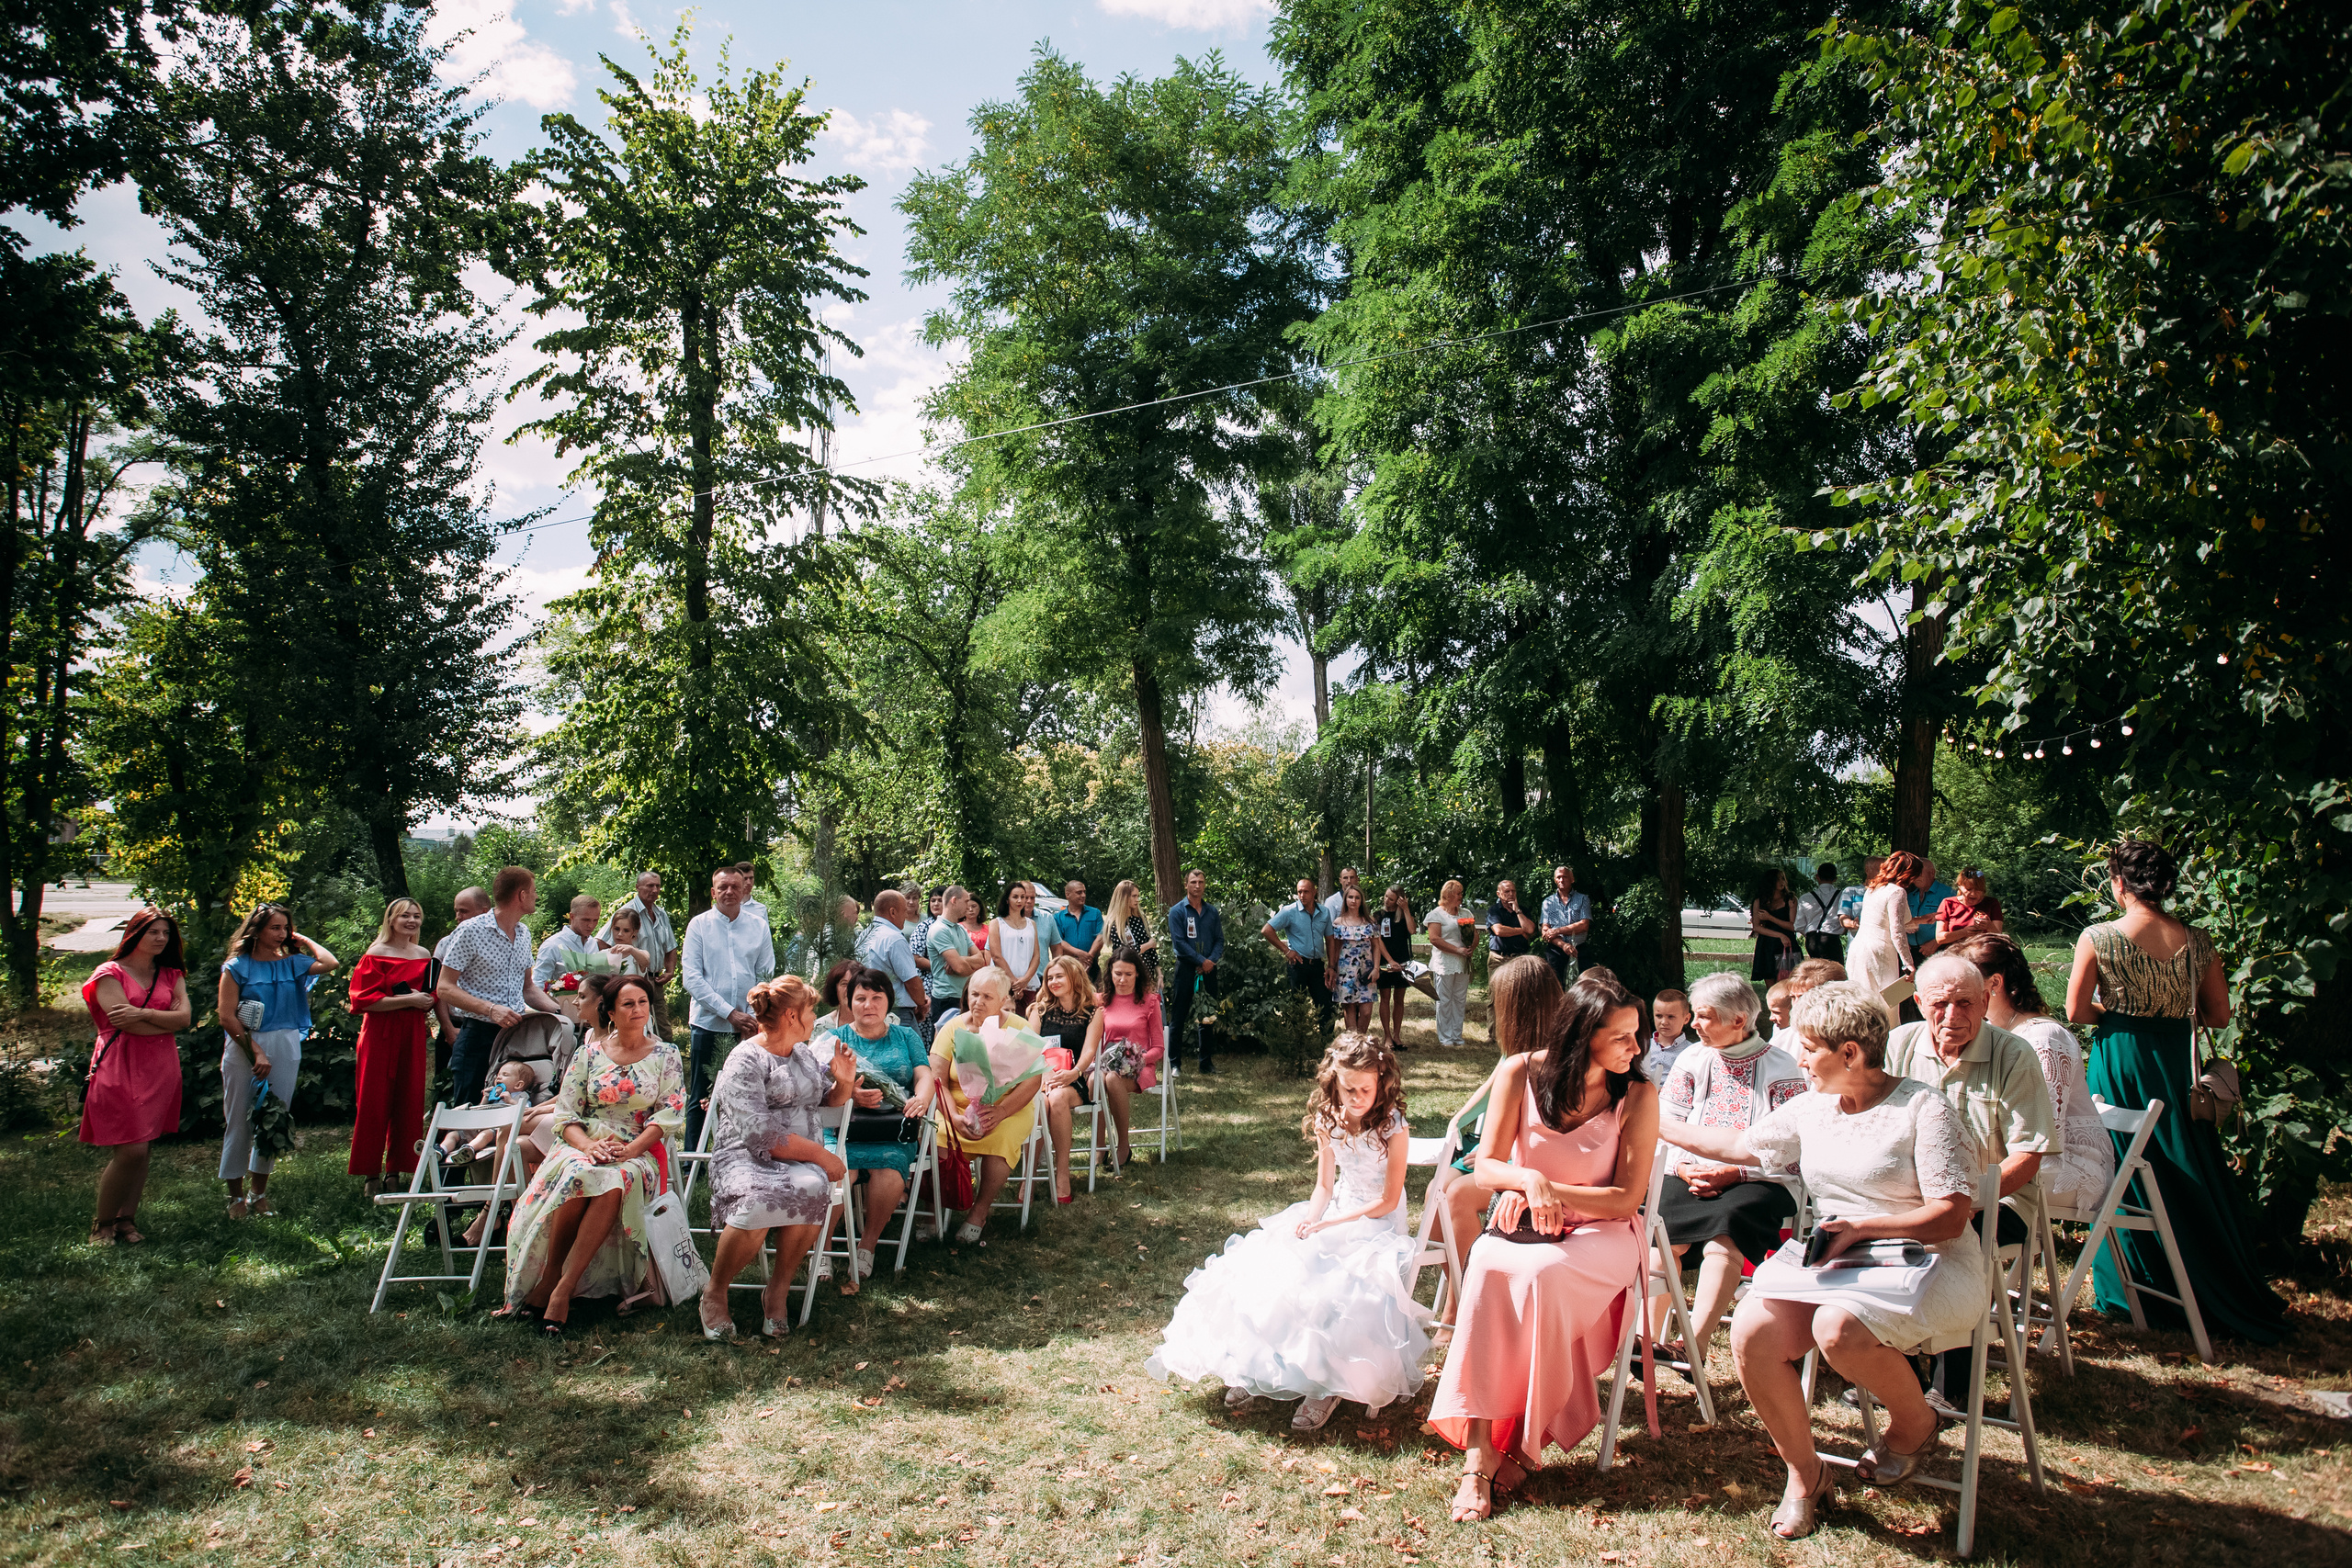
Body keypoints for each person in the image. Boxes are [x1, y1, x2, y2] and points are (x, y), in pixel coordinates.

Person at [1657, 982, 1985, 1541]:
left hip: (1929, 1263)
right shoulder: (1813, 1107)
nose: (1800, 1059)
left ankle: (1916, 1423)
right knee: (1752, 1332)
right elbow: (1739, 1147)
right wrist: (1651, 1115)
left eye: (1809, 1049)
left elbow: (1951, 1217)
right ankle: (1805, 1475)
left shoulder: (1923, 1109)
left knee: (1837, 1329)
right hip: (1841, 1262)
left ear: (1850, 1052)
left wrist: (1862, 1228)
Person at [1430, 975, 1657, 1523]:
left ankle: (1524, 1445)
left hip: (1603, 1230)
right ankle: (1480, 1453)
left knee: (1543, 1276)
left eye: (1637, 1034)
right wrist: (1526, 1181)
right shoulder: (1519, 1072)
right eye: (1622, 1037)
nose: (1636, 1047)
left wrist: (1548, 1190)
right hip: (1530, 1220)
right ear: (1582, 1035)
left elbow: (1626, 1199)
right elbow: (1487, 1167)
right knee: (1488, 1264)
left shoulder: (1638, 1094)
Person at [1147, 1033, 1432, 1432]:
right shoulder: (1328, 1119)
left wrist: (1332, 1223)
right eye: (1348, 1089)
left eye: (1365, 1090)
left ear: (1380, 1082)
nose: (1356, 1098)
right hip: (1337, 1209)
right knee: (1275, 1266)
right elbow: (1324, 1187)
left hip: (1377, 1224)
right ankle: (1259, 1369)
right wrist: (1313, 1220)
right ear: (1334, 1082)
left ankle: (1326, 1387)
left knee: (1337, 1289)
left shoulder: (1393, 1127)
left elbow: (1388, 1200)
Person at [2065, 839, 2288, 1344]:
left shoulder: (2098, 936)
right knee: (2187, 1159)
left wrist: (2122, 1015)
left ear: (2119, 883)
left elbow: (2076, 1010)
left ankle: (2136, 1287)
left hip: (2122, 1058)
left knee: (2121, 1161)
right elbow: (2218, 1015)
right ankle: (2208, 1276)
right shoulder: (2199, 940)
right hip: (2176, 1061)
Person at [497, 972, 686, 1337]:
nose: (638, 1009)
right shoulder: (589, 1053)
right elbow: (566, 1114)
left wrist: (631, 1150)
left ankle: (562, 1288)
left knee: (616, 1178)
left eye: (643, 1002)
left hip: (636, 1146)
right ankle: (551, 1276)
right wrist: (587, 1145)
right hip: (582, 1141)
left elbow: (668, 1114)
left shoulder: (666, 1055)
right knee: (579, 1173)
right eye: (628, 1004)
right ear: (611, 1012)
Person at [1653, 971, 1807, 1377]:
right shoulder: (1692, 1059)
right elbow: (1664, 1124)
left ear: (1739, 1020)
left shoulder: (1782, 1066)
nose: (1695, 1024)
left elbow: (1792, 1148)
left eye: (1705, 1016)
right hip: (1688, 1173)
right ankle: (1647, 1344)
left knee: (1728, 1227)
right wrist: (1683, 1167)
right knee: (1659, 1231)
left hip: (1760, 1181)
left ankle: (1692, 1346)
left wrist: (1735, 1171)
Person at [698, 974, 853, 1338]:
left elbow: (827, 1100)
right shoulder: (745, 1059)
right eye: (811, 1011)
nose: (815, 1017)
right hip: (745, 1156)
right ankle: (715, 1292)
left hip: (798, 1159)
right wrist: (821, 1155)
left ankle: (778, 1291)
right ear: (791, 1016)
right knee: (759, 1199)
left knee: (813, 1187)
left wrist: (844, 1081)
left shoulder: (803, 1054)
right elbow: (761, 1135)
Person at [1431, 955, 1564, 1330]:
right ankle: (1467, 1295)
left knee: (1457, 1196)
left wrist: (1498, 1155)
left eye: (1498, 1001)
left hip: (1529, 1166)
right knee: (1434, 1194)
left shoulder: (1558, 1059)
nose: (1493, 1008)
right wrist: (1459, 1122)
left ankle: (1463, 1312)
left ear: (1520, 1007)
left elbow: (1547, 1133)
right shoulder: (1514, 1054)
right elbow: (1489, 1090)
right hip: (1496, 1154)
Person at [1951, 932, 2112, 1214]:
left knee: (1951, 1188)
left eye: (1964, 985)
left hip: (2067, 1164)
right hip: (2010, 1156)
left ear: (1994, 983)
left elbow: (2045, 1136)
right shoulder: (1992, 1033)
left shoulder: (2045, 1038)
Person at [217, 904, 340, 1219]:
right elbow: (226, 1016)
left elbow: (330, 962)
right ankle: (235, 1197)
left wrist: (303, 940)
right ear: (256, 931)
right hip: (244, 1044)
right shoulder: (236, 967)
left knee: (275, 1117)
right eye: (275, 927)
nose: (282, 933)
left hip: (286, 1041)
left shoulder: (292, 963)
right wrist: (255, 1051)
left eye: (286, 928)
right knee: (239, 1120)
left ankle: (258, 1194)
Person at [79, 908, 191, 1247]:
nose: (161, 938)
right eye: (153, 932)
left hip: (160, 1066)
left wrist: (141, 1013)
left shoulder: (171, 974)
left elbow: (185, 1019)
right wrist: (162, 1020)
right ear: (135, 933)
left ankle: (125, 1220)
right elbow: (123, 1024)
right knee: (131, 1150)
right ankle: (102, 1224)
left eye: (166, 933)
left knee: (143, 1146)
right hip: (120, 1064)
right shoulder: (108, 974)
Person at [825, 966, 938, 1280]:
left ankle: (868, 1245)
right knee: (838, 1171)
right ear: (849, 1002)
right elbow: (819, 1087)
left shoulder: (906, 1036)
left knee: (890, 1168)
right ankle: (822, 1248)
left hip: (892, 1130)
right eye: (860, 998)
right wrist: (851, 1093)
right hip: (842, 1129)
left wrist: (921, 1098)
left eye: (877, 998)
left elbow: (924, 1074)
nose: (869, 1005)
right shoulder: (834, 1039)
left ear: (889, 1002)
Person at [929, 967, 1046, 1245]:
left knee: (1001, 1138)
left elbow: (1033, 1080)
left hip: (1007, 1108)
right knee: (937, 1136)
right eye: (974, 994)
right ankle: (932, 1211)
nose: (978, 1002)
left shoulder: (1019, 1028)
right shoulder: (953, 1027)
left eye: (987, 997)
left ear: (1004, 999)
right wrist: (953, 1116)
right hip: (954, 1107)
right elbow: (937, 1080)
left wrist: (1001, 1111)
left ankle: (979, 1212)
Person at [437, 867, 562, 1111]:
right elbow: (444, 987)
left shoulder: (524, 933)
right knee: (468, 1113)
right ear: (522, 895)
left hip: (515, 1039)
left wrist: (562, 1013)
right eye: (534, 891)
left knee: (505, 1111)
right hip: (477, 1036)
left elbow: (528, 988)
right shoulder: (470, 930)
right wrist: (491, 1009)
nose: (537, 896)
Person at [348, 897, 439, 1198]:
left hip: (412, 1032)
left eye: (416, 916)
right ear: (391, 920)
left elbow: (431, 994)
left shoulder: (423, 954)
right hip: (380, 1033)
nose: (412, 921)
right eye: (405, 916)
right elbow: (364, 1001)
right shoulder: (376, 954)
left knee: (409, 1100)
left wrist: (426, 1000)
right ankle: (370, 1173)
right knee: (374, 1101)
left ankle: (396, 1171)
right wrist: (409, 999)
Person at [680, 864, 775, 1146]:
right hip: (708, 1024)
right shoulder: (699, 925)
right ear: (713, 892)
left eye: (735, 886)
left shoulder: (758, 926)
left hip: (749, 1027)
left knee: (747, 1093)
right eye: (723, 887)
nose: (729, 891)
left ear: (745, 889)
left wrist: (751, 1017)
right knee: (701, 1095)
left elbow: (765, 974)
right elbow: (692, 978)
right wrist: (729, 1013)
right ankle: (692, 1160)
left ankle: (743, 1153)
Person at [1030, 955, 1105, 1204]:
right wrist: (1043, 1076)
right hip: (1041, 1077)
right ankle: (1030, 1176)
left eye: (1059, 976)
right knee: (1043, 1100)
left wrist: (1075, 1073)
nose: (1053, 981)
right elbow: (1030, 1050)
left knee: (1058, 1097)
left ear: (1074, 977)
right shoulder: (1040, 1010)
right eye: (1050, 977)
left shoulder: (1093, 1013)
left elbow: (1089, 1051)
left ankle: (1062, 1173)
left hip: (1074, 1078)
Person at [1095, 946, 1165, 1170]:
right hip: (1107, 1063)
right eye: (1118, 973)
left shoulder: (1149, 1001)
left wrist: (1138, 1059)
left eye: (1128, 974)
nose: (1122, 979)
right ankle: (1099, 1146)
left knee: (1110, 1080)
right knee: (1097, 1079)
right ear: (1110, 973)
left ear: (1137, 974)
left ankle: (1123, 1146)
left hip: (1139, 1066)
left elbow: (1159, 1048)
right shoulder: (1101, 1001)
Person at [598, 871, 680, 1038]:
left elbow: (671, 946)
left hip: (655, 980)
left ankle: (664, 1054)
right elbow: (602, 940)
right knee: (636, 1027)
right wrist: (614, 968)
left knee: (662, 1029)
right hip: (631, 981)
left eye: (657, 886)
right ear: (637, 887)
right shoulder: (627, 912)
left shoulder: (660, 913)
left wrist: (670, 971)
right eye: (650, 886)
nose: (654, 890)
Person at [438, 1061, 553, 1172]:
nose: (498, 1077)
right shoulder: (495, 1096)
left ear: (518, 1085)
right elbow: (480, 1110)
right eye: (498, 1075)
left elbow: (525, 1111)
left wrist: (511, 1101)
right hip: (479, 1126)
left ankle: (469, 1149)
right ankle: (441, 1150)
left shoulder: (521, 1097)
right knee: (454, 1134)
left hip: (496, 1132)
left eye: (505, 1075)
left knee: (486, 1133)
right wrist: (485, 1098)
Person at [1847, 850, 1925, 1009]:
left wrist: (1924, 920)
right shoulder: (1897, 892)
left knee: (1862, 1003)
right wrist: (1908, 963)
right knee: (1885, 1006)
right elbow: (1897, 930)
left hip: (1858, 949)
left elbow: (1892, 921)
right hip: (1879, 952)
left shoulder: (1873, 888)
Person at [1167, 869, 1224, 1073]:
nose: (1197, 885)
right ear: (1186, 885)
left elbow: (1219, 940)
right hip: (1186, 969)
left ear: (1205, 884)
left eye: (1201, 882)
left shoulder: (1212, 912)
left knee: (1207, 1016)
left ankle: (1206, 1063)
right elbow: (1179, 943)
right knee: (1179, 1016)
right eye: (1193, 882)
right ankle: (1174, 1063)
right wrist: (1200, 960)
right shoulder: (1177, 911)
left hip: (1209, 970)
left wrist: (1210, 961)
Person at [1262, 877, 1336, 1031]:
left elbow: (1330, 939)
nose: (1302, 895)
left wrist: (1331, 966)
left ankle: (1327, 1040)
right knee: (1297, 1006)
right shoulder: (1289, 911)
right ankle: (1297, 1041)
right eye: (1299, 892)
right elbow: (1267, 930)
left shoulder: (1324, 912)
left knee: (1325, 1006)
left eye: (1306, 891)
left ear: (1315, 892)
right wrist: (1287, 951)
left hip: (1317, 966)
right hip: (1298, 965)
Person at [433, 885, 488, 1081]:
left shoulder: (498, 943)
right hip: (453, 1023)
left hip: (484, 1026)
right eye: (456, 911)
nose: (458, 916)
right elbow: (438, 990)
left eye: (463, 911)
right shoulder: (446, 943)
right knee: (445, 1083)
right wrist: (448, 1028)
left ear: (484, 912)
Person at [855, 889, 932, 1034]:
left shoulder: (864, 935)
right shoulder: (894, 939)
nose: (906, 916)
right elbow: (911, 980)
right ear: (893, 912)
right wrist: (921, 1003)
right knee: (911, 1049)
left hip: (870, 1009)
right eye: (904, 911)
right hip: (898, 1013)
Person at [924, 886, 989, 1040]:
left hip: (963, 996)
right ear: (954, 901)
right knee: (944, 1044)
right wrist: (962, 964)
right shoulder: (939, 930)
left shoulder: (960, 930)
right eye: (966, 901)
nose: (968, 906)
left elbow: (981, 960)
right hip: (946, 999)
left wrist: (961, 960)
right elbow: (960, 968)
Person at [1424, 880, 1474, 1047]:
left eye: (1461, 893)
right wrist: (1457, 950)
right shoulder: (1436, 914)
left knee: (1460, 999)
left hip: (1463, 961)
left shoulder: (1466, 913)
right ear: (1449, 895)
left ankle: (1457, 1036)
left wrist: (1470, 948)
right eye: (1458, 893)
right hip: (1444, 962)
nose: (1461, 896)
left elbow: (1474, 935)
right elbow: (1434, 939)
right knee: (1444, 999)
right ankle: (1445, 1037)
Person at [1329, 883, 1379, 1035]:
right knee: (1349, 1009)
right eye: (1350, 897)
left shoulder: (1370, 922)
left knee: (1366, 1011)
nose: (1353, 901)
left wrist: (1376, 968)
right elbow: (1335, 948)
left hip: (1366, 971)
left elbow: (1376, 946)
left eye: (1357, 898)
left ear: (1361, 900)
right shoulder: (1338, 922)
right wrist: (1332, 968)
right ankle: (1352, 1044)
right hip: (1346, 971)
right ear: (1345, 900)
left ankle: (1362, 1041)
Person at [988, 880, 1045, 1013]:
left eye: (1023, 897)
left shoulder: (1031, 924)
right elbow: (996, 956)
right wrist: (1014, 983)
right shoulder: (996, 923)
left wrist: (1025, 980)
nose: (1020, 900)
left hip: (1027, 984)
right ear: (1007, 900)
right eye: (1015, 897)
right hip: (1003, 982)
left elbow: (1036, 955)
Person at [1374, 885, 1417, 1052]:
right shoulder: (1378, 915)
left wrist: (1405, 909)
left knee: (1399, 999)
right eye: (1386, 896)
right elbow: (1377, 940)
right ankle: (1387, 1036)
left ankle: (1397, 1035)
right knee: (1385, 997)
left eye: (1391, 899)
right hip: (1385, 960)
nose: (1387, 901)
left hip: (1402, 960)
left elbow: (1412, 931)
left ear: (1399, 900)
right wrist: (1390, 960)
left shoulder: (1404, 915)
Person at [533, 894, 604, 990]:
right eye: (586, 920)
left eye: (595, 920)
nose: (591, 925)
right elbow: (538, 984)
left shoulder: (592, 943)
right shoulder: (552, 945)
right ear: (572, 916)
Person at [1101, 880, 1157, 997]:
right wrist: (1149, 945)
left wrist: (1158, 972)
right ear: (1124, 898)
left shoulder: (1140, 918)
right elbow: (1124, 953)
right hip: (1126, 975)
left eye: (1138, 896)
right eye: (1134, 896)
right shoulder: (1115, 923)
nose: (1137, 900)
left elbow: (1151, 950)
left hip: (1146, 972)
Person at [1539, 864, 1592, 987]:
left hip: (1579, 950)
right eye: (1558, 877)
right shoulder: (1547, 902)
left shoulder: (1583, 899)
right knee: (1555, 987)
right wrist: (1563, 945)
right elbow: (1545, 931)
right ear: (1555, 880)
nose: (1561, 880)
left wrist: (1557, 931)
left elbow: (1584, 925)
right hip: (1556, 951)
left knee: (1583, 987)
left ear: (1572, 879)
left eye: (1565, 877)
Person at [1052, 879, 1106, 981]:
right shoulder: (1058, 917)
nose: (1083, 895)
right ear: (1068, 895)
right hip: (1068, 966)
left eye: (1084, 892)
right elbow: (1059, 941)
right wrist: (1079, 953)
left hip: (1092, 965)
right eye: (1079, 892)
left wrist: (1088, 957)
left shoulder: (1095, 913)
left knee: (1094, 991)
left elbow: (1101, 937)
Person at [1749, 870, 1797, 981]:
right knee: (1769, 979)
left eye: (1783, 879)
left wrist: (1770, 918)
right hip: (1767, 944)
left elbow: (1792, 926)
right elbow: (1757, 927)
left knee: (1786, 982)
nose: (1782, 882)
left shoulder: (1790, 900)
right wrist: (1780, 935)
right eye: (1778, 879)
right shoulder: (1760, 901)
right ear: (1770, 881)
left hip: (1786, 944)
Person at [1907, 858, 1954, 969]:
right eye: (1914, 873)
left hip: (1937, 952)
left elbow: (1957, 924)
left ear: (1932, 873)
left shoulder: (1948, 894)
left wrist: (1936, 943)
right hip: (1910, 954)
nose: (1916, 876)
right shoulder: (1909, 896)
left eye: (1919, 873)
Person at [1796, 863, 1849, 964]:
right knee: (1835, 970)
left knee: (1816, 970)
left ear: (1817, 877)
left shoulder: (1805, 898)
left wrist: (1810, 935)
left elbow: (1799, 926)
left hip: (1812, 940)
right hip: (1832, 939)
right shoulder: (1842, 896)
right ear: (1835, 879)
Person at [1642, 988, 1694, 1088]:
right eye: (1659, 1016)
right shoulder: (1642, 1047)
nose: (1664, 1022)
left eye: (1671, 1017)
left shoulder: (1691, 1052)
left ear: (1686, 1018)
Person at [1937, 867, 2005, 943]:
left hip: (1983, 949)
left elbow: (2000, 938)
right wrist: (1963, 932)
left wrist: (1989, 926)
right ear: (1959, 886)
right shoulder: (1948, 903)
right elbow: (1939, 939)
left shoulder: (1992, 903)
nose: (1973, 893)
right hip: (1955, 949)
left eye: (1978, 890)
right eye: (1968, 889)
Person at [1485, 879, 1535, 962]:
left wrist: (1518, 911)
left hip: (1520, 957)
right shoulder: (1494, 910)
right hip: (1499, 958)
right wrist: (1522, 931)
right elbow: (1499, 931)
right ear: (1499, 894)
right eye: (1507, 891)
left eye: (1513, 891)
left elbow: (1530, 930)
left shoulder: (1523, 910)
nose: (1511, 894)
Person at [1838, 857, 1881, 944]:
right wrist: (1854, 924)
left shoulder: (1889, 893)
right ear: (1867, 870)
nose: (1885, 873)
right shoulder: (1851, 892)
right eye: (1880, 869)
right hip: (1857, 946)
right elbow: (1843, 920)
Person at [1764, 979, 1795, 1048]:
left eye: (1777, 1012)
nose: (1771, 1018)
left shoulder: (1796, 1036)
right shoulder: (1777, 1027)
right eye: (1770, 1011)